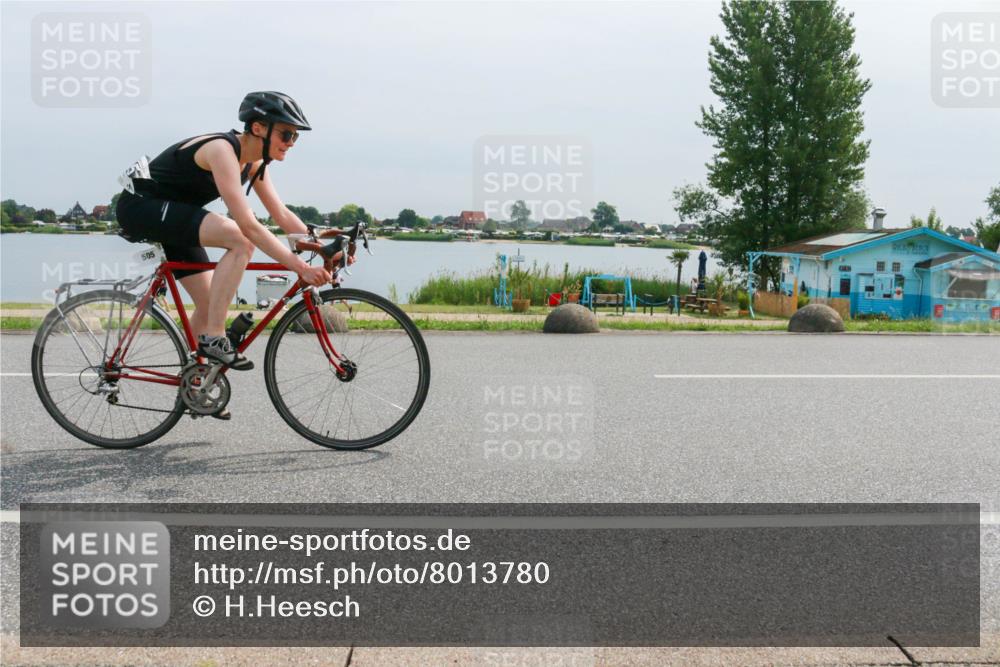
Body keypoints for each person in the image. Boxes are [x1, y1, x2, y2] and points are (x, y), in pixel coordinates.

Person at [116, 92, 334, 380]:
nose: (290, 143)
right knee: (240, 240)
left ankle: (195, 382)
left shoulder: (254, 164)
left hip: (175, 215)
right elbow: (248, 225)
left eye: (295, 137)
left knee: (209, 304)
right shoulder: (222, 150)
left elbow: (281, 214)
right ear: (258, 128)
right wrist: (301, 267)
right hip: (141, 206)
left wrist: (325, 249)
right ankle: (215, 338)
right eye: (286, 134)